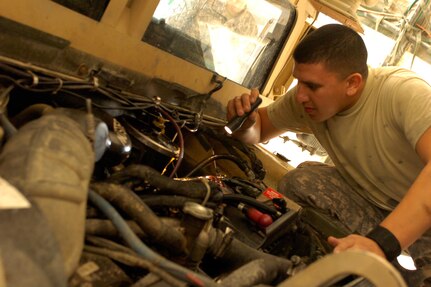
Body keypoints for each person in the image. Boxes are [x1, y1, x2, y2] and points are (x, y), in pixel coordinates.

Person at [226, 23, 431, 286]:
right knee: (300, 181)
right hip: (376, 206)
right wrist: (245, 123)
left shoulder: (403, 93)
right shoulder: (305, 101)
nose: (300, 95)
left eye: (312, 86)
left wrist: (381, 243)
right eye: (299, 81)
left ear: (352, 83)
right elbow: (260, 130)